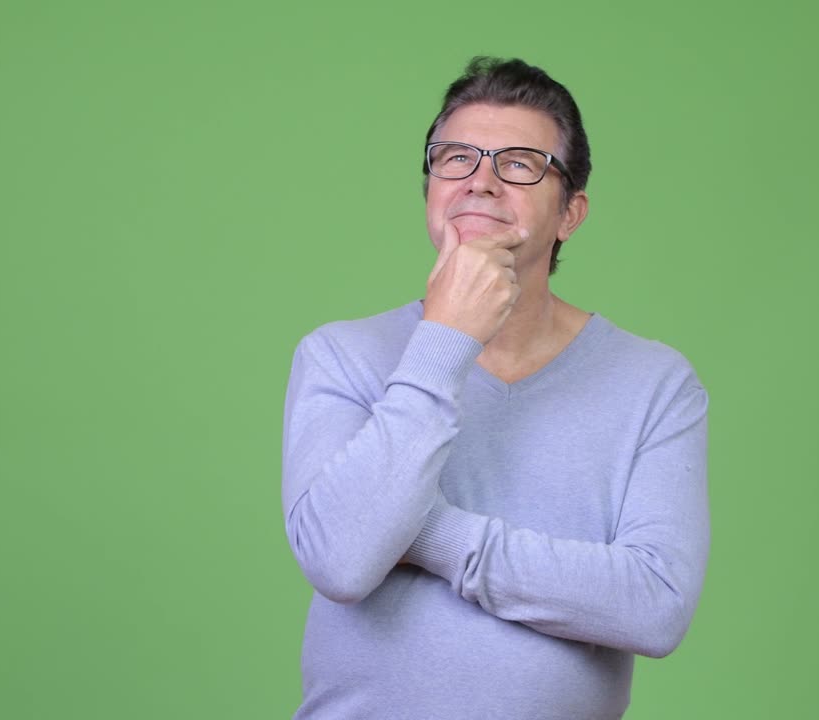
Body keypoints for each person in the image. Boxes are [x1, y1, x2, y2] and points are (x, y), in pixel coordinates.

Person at [280, 56, 710, 719]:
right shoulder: (342, 355)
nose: (480, 181)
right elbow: (341, 559)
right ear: (429, 187)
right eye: (455, 158)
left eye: (518, 163)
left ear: (570, 212)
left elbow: (653, 606)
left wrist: (420, 531)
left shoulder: (654, 383)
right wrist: (445, 338)